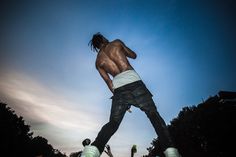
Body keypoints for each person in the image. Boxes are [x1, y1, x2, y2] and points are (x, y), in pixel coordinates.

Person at [81, 33, 181, 157]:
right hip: (134, 83)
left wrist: (122, 100)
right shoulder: (116, 43)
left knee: (113, 123)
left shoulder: (98, 62)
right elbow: (133, 55)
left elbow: (109, 82)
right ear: (102, 39)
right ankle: (171, 152)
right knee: (153, 115)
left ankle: (93, 151)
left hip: (119, 91)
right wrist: (122, 51)